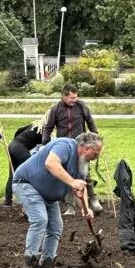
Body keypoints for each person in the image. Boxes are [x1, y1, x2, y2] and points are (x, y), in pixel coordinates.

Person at [13, 132, 103, 268]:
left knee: (55, 226)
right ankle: (29, 267)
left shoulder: (82, 163)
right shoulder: (65, 145)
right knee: (40, 219)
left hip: (47, 195)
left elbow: (81, 186)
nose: (96, 157)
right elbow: (51, 163)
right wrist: (71, 182)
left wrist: (85, 209)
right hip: (27, 184)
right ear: (86, 148)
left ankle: (47, 266)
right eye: (96, 153)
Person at [42, 84, 103, 214]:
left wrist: (97, 139)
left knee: (85, 174)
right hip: (64, 148)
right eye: (71, 98)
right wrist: (45, 144)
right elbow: (48, 128)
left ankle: (93, 200)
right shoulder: (55, 109)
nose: (74, 100)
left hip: (81, 147)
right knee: (66, 176)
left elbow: (90, 122)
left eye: (75, 97)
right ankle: (71, 206)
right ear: (63, 96)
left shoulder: (81, 106)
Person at [4, 119, 44, 206]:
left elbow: (19, 130)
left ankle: (8, 200)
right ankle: (32, 196)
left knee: (13, 174)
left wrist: (15, 141)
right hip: (20, 148)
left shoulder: (34, 125)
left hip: (12, 145)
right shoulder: (45, 129)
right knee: (31, 171)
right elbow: (45, 143)